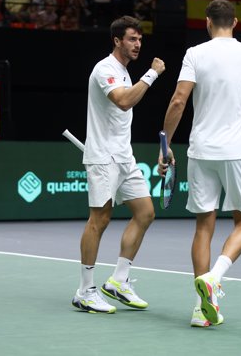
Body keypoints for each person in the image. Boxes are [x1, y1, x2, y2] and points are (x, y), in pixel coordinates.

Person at [157, 0, 241, 328]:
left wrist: (165, 144)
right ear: (235, 22)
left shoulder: (195, 53)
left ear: (207, 22)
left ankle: (201, 308)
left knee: (204, 226)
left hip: (201, 150)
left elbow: (178, 100)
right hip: (239, 150)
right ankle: (214, 278)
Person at [71, 15, 166, 314]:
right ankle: (85, 290)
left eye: (140, 39)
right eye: (131, 39)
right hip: (103, 158)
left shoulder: (124, 72)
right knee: (99, 219)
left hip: (125, 157)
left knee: (146, 212)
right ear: (117, 41)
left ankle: (118, 281)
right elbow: (123, 101)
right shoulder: (105, 69)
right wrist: (152, 74)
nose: (137, 44)